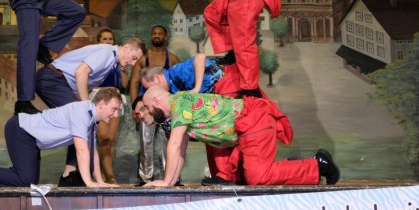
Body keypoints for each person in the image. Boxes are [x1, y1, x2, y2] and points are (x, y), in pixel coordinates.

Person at [138, 87, 340, 187]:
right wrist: (169, 183)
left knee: (258, 177)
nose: (145, 111)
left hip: (254, 120)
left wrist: (165, 181)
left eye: (146, 107)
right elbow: (180, 149)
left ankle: (317, 164)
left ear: (156, 100)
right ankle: (308, 166)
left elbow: (173, 145)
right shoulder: (178, 113)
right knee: (254, 177)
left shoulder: (180, 102)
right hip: (250, 126)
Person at [0, 88, 123, 188]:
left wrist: (99, 181)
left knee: (28, 182)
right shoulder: (82, 112)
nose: (116, 115)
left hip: (30, 138)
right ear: (102, 104)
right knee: (24, 179)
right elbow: (81, 151)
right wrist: (88, 182)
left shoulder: (91, 119)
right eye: (114, 109)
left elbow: (92, 151)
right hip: (21, 129)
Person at [35, 37, 146, 186]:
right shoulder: (107, 53)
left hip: (56, 82)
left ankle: (72, 173)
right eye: (133, 58)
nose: (132, 63)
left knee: (82, 124)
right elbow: (80, 72)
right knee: (83, 120)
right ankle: (70, 174)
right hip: (51, 80)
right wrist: (87, 106)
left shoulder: (111, 60)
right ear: (126, 47)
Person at [139, 53, 242, 185]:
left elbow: (200, 57)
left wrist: (196, 88)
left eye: (149, 87)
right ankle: (225, 174)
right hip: (219, 109)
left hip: (225, 86)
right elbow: (181, 146)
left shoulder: (174, 73)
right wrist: (170, 182)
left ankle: (226, 175)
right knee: (210, 139)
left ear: (157, 78)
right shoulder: (175, 96)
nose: (150, 90)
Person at [129, 25, 180, 185]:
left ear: (165, 37)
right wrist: (135, 107)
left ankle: (172, 178)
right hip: (146, 108)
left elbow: (179, 83)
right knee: (146, 143)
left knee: (169, 143)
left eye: (160, 33)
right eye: (154, 33)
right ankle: (145, 178)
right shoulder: (143, 59)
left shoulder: (172, 59)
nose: (157, 36)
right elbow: (134, 83)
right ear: (151, 36)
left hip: (166, 108)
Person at [94, 28, 129, 184]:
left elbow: (124, 84)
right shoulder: (95, 57)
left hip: (115, 98)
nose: (108, 41)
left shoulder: (118, 59)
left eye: (110, 39)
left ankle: (102, 175)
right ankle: (110, 175)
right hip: (99, 97)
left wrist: (123, 71)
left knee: (111, 140)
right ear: (98, 42)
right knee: (103, 139)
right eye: (105, 39)